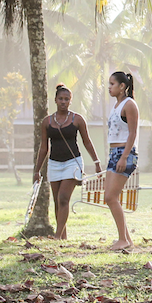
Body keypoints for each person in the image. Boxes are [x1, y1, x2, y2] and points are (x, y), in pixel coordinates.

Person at [32, 84, 101, 240]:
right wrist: (37, 171)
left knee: (64, 198)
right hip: (54, 164)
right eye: (61, 99)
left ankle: (57, 236)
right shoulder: (47, 122)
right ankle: (63, 236)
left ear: (71, 101)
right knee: (57, 202)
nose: (63, 102)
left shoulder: (77, 119)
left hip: (72, 162)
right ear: (55, 100)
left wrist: (96, 162)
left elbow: (87, 142)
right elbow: (43, 148)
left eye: (67, 99)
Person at [104, 70, 139, 251]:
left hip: (124, 153)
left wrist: (124, 156)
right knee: (109, 197)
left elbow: (132, 133)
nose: (109, 87)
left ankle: (122, 239)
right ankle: (127, 240)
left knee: (111, 197)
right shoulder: (116, 106)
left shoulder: (129, 105)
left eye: (112, 84)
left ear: (122, 86)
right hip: (113, 154)